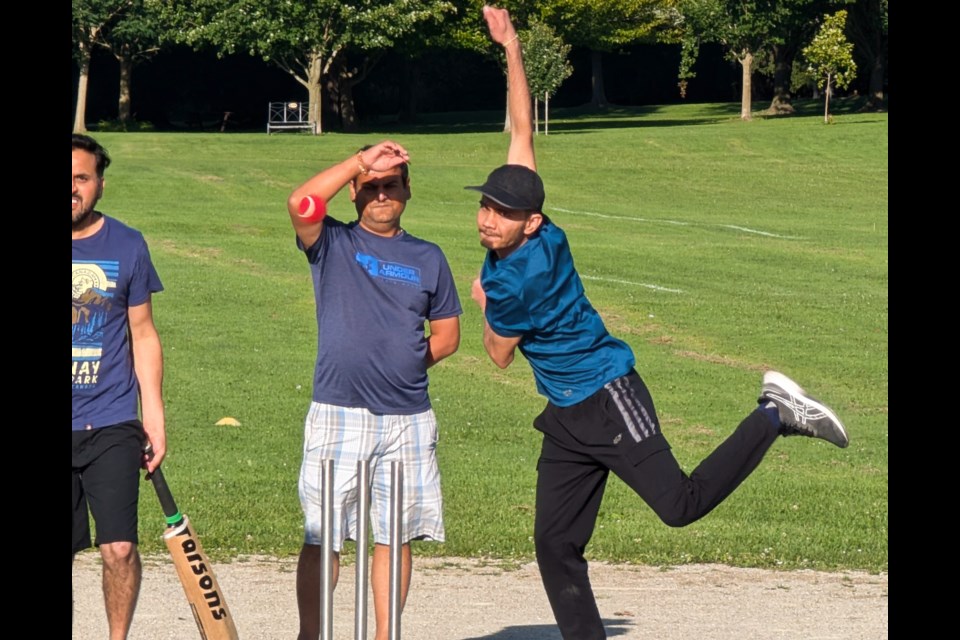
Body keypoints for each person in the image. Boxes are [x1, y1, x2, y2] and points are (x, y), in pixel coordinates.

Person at [468, 7, 850, 640]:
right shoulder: (537, 223)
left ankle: (774, 414)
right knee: (555, 543)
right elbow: (520, 132)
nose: (488, 219)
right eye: (485, 205)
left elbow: (499, 356)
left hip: (607, 396)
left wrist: (483, 304)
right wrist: (510, 48)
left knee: (678, 507)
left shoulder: (514, 281)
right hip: (566, 414)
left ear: (529, 222)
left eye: (501, 213)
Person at [286, 140, 462, 640]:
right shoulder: (333, 242)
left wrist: (405, 362)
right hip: (338, 412)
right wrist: (358, 163)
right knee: (324, 536)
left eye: (391, 185)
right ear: (353, 194)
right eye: (370, 187)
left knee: (394, 534)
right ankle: (312, 634)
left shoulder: (428, 257)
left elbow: (447, 338)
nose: (381, 194)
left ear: (407, 190)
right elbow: (301, 202)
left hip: (407, 418)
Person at [72, 133, 167, 640]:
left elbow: (144, 333)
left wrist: (152, 413)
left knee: (120, 548)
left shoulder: (128, 244)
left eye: (81, 178)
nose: (72, 188)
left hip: (110, 418)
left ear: (100, 185)